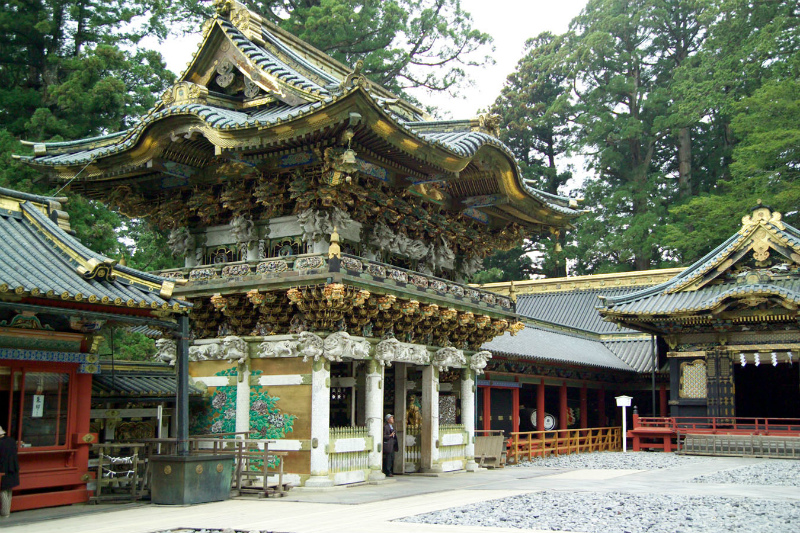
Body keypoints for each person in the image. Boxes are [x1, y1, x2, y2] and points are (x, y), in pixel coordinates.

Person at [0, 425, 20, 518]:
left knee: (2, 489)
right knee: (8, 490)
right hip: (12, 468)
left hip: (2, 469)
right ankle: (7, 511)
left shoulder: (1, 443)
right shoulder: (11, 440)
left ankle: (4, 512)